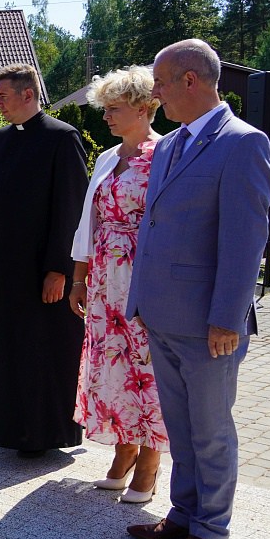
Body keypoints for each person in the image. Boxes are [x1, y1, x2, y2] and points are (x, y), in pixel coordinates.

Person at [125, 39, 270, 539]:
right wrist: (139, 298)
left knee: (210, 432)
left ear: (192, 80)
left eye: (161, 82)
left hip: (210, 324)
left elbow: (244, 242)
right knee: (181, 428)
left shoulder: (243, 143)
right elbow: (154, 226)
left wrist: (226, 318)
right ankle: (184, 515)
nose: (156, 92)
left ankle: (212, 531)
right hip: (163, 315)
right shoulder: (169, 145)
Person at [0, 64, 88, 456]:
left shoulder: (62, 139)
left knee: (41, 349)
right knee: (4, 347)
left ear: (28, 95)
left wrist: (59, 270)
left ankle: (43, 433)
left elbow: (71, 209)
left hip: (39, 272)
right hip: (0, 271)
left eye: (3, 97)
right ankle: (8, 424)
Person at [68, 67, 168, 502]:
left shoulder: (166, 153)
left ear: (145, 108)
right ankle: (124, 448)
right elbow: (87, 221)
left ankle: (150, 458)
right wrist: (78, 276)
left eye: (114, 108)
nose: (106, 116)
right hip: (105, 278)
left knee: (146, 368)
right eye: (104, 108)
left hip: (143, 275)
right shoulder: (108, 158)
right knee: (113, 367)